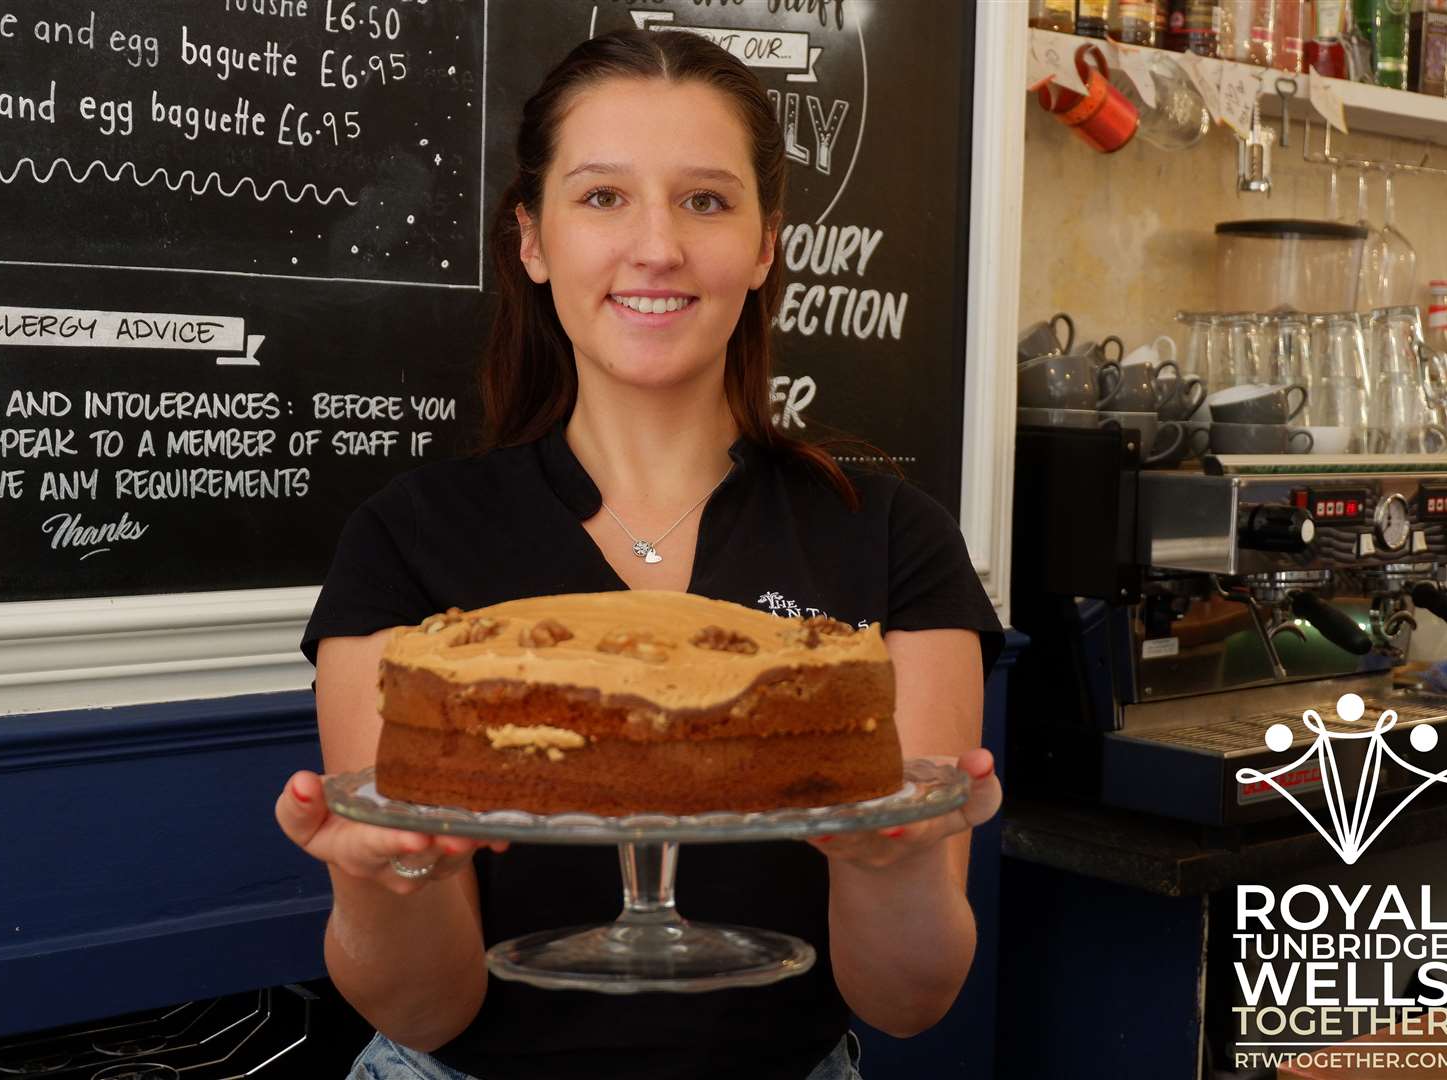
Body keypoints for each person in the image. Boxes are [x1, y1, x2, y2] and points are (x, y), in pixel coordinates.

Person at [274, 26, 1005, 1080]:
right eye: (602, 196)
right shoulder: (408, 539)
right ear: (532, 238)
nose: (656, 247)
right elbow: (426, 1012)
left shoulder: (893, 539)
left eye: (705, 200)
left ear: (764, 245)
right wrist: (390, 885)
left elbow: (909, 1001)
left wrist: (885, 867)